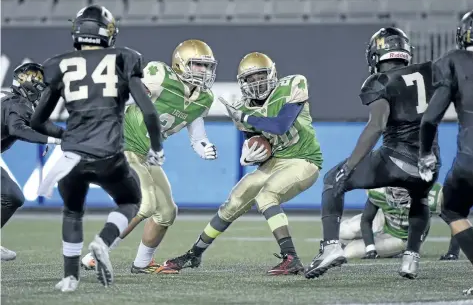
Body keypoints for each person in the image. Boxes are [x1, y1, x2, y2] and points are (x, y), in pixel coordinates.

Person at [30, 5, 163, 292]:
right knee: (130, 201)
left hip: (71, 156)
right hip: (108, 155)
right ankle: (103, 241)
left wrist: (66, 135)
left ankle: (69, 278)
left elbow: (38, 121)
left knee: (72, 212)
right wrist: (157, 148)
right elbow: (149, 112)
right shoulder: (124, 58)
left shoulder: (59, 64)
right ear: (109, 35)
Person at [163, 52, 323, 275]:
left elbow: (280, 126)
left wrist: (244, 118)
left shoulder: (292, 84)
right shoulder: (243, 108)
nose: (257, 82)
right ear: (243, 82)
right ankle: (194, 254)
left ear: (273, 74)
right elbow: (259, 143)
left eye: (261, 75)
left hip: (303, 159)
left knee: (267, 196)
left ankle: (291, 258)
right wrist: (249, 155)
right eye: (251, 78)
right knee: (234, 200)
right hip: (275, 161)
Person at [305, 27, 439, 280]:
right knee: (419, 198)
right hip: (429, 162)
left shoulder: (379, 82)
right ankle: (411, 258)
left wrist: (351, 165)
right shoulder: (429, 71)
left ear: (376, 54)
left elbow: (376, 125)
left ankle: (331, 247)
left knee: (333, 179)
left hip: (395, 159)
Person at [80, 39, 218, 274]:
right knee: (145, 204)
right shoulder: (160, 75)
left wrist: (204, 147)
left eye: (207, 66)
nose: (203, 71)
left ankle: (142, 263)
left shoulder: (204, 98)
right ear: (180, 64)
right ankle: (95, 253)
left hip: (145, 155)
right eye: (197, 65)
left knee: (166, 212)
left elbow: (196, 134)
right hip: (123, 146)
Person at [418, 10, 473, 296]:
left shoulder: (453, 61)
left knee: (451, 208)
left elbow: (429, 119)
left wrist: (426, 153)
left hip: (470, 161)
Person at [1, 62, 63, 261]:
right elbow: (17, 129)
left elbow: (41, 125)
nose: (42, 93)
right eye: (39, 87)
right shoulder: (16, 103)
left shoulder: (12, 100)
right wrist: (52, 140)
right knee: (12, 196)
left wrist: (66, 136)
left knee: (13, 197)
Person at [340, 183, 460, 260]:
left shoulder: (432, 195)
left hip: (403, 237)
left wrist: (453, 252)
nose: (397, 193)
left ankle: (397, 251)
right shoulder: (379, 188)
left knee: (350, 251)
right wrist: (370, 248)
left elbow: (456, 219)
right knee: (342, 231)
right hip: (384, 218)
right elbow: (366, 220)